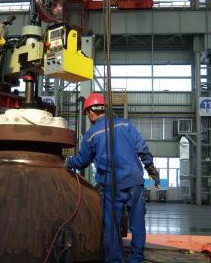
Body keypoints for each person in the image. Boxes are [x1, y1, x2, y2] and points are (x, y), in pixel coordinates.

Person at [65, 92, 160, 263]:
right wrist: (152, 170)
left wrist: (67, 162)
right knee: (137, 223)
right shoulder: (125, 124)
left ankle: (115, 260)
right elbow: (142, 149)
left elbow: (81, 161)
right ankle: (136, 259)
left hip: (112, 186)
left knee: (112, 226)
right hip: (135, 182)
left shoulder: (91, 135)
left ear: (91, 113)